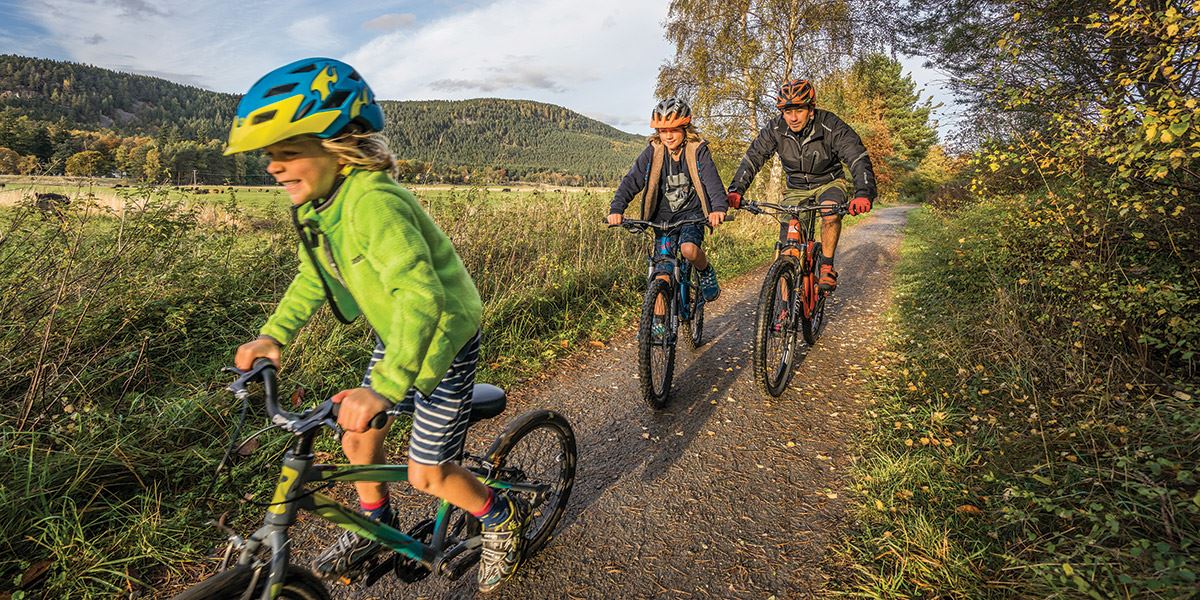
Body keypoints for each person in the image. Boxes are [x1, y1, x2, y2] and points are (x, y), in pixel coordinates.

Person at [225, 57, 525, 593]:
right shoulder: (323, 208)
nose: (272, 166)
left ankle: (501, 517)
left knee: (427, 474)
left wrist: (386, 388)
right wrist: (274, 333)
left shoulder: (373, 202)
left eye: (287, 150)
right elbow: (314, 278)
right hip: (401, 336)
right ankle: (378, 524)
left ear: (337, 142)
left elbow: (422, 295)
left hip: (441, 340)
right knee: (356, 437)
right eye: (270, 155)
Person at [725, 79, 877, 292]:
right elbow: (753, 157)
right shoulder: (775, 129)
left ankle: (826, 266)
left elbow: (856, 156)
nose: (793, 118)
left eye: (799, 110)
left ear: (810, 109)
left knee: (829, 212)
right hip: (796, 188)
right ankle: (783, 307)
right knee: (788, 250)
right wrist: (736, 190)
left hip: (829, 181)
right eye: (787, 112)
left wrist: (863, 192)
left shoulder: (830, 125)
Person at [607, 97, 728, 310]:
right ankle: (657, 326)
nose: (668, 136)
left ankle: (705, 270)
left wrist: (718, 208)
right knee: (661, 272)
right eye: (663, 131)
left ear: (685, 128)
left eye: (673, 130)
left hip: (692, 216)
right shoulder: (653, 152)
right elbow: (632, 180)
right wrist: (617, 208)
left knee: (689, 250)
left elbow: (711, 180)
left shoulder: (696, 150)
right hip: (662, 219)